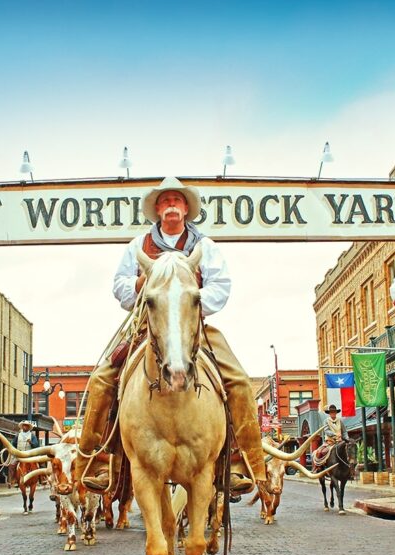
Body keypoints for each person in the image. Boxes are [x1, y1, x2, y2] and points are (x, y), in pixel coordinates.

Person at [77, 177, 267, 495]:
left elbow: (221, 286)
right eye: (165, 202)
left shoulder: (205, 246)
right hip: (146, 323)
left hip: (194, 325)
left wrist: (187, 305)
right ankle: (96, 462)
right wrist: (142, 287)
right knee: (101, 379)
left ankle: (240, 463)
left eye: (177, 201)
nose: (171, 207)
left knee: (238, 380)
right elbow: (120, 286)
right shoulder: (138, 247)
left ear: (186, 209)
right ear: (157, 210)